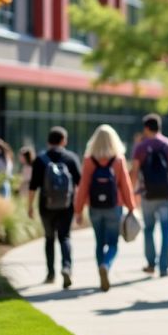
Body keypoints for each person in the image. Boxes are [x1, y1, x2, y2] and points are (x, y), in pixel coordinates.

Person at [73, 124, 137, 292]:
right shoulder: (118, 159)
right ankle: (106, 265)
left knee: (99, 242)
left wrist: (78, 210)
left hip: (95, 207)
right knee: (113, 243)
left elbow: (83, 186)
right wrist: (131, 207)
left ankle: (101, 266)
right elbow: (125, 185)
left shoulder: (89, 160)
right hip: (114, 206)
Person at [130, 113, 168, 277]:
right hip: (166, 194)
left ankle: (150, 263)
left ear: (147, 128)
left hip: (147, 194)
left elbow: (134, 172)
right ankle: (164, 267)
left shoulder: (140, 147)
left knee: (148, 229)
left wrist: (133, 192)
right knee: (166, 230)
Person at [27, 126, 82, 289]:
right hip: (66, 205)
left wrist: (29, 206)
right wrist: (79, 208)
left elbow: (32, 187)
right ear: (63, 140)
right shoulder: (71, 158)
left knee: (49, 238)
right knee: (65, 237)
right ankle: (66, 267)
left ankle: (50, 274)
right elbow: (80, 184)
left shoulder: (40, 160)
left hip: (46, 205)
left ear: (48, 141)